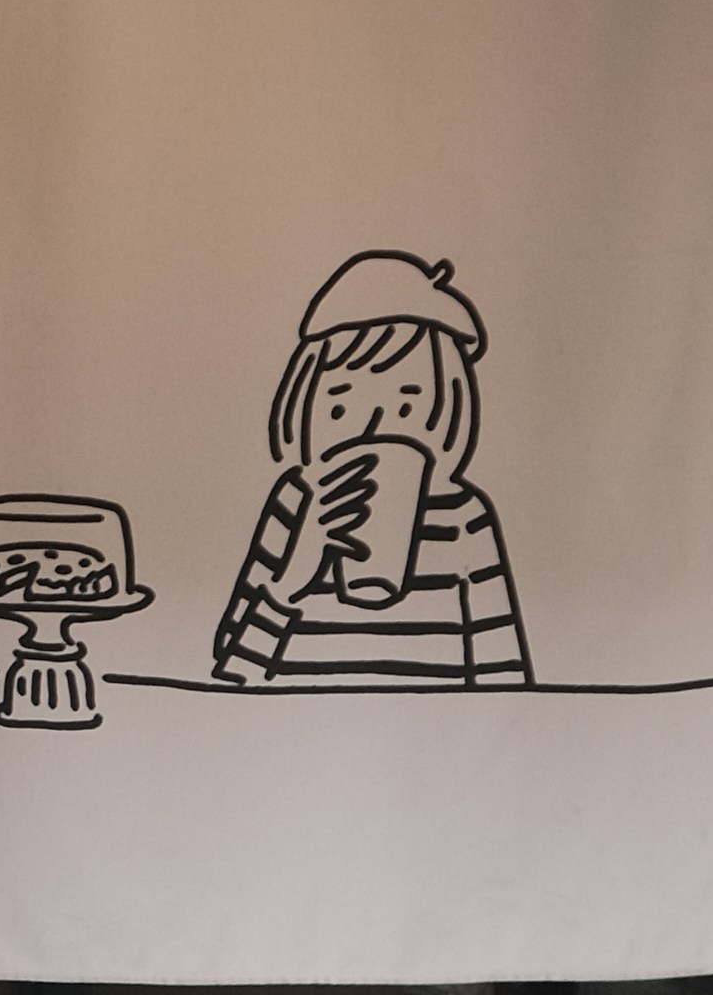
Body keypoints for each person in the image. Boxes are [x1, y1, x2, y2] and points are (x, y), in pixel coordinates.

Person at [210, 250, 531, 688]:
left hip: (439, 730)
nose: (374, 428)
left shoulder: (463, 516)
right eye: (340, 407)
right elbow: (234, 677)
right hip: (294, 726)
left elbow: (504, 678)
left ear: (448, 406)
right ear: (305, 401)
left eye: (406, 407)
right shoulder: (297, 502)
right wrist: (290, 581)